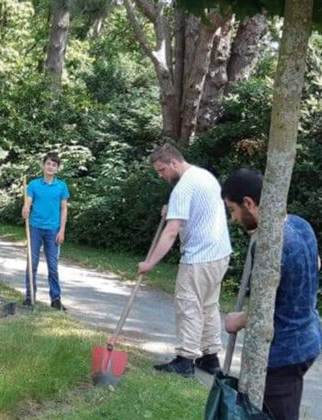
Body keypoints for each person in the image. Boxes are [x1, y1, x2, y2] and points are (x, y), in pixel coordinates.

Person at [221, 169, 321, 420]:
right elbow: (316, 263)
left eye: (232, 210)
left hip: (283, 352)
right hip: (308, 336)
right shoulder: (300, 224)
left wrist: (237, 320)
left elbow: (264, 305)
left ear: (249, 203)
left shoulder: (270, 245)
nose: (233, 218)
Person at [137, 143, 232, 377]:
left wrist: (149, 263)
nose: (161, 176)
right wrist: (173, 208)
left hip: (199, 258)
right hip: (219, 254)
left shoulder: (183, 188)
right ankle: (210, 358)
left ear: (173, 163)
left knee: (188, 305)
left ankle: (185, 360)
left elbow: (170, 232)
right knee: (208, 306)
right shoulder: (204, 176)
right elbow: (199, 208)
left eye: (162, 170)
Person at [21, 152, 70, 311]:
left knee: (53, 267)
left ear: (57, 168)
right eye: (48, 164)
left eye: (54, 165)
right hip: (35, 228)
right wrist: (25, 208)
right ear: (43, 165)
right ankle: (30, 297)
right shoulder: (33, 185)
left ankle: (55, 299)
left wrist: (61, 230)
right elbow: (28, 203)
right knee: (32, 264)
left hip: (53, 230)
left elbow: (63, 210)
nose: (50, 167)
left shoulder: (61, 186)